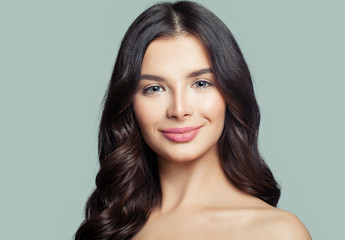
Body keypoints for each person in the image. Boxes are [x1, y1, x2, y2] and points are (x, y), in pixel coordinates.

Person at [75, 1, 311, 239]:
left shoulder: (277, 232)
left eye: (201, 84)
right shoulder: (112, 228)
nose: (179, 110)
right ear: (129, 103)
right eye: (155, 88)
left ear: (231, 93)